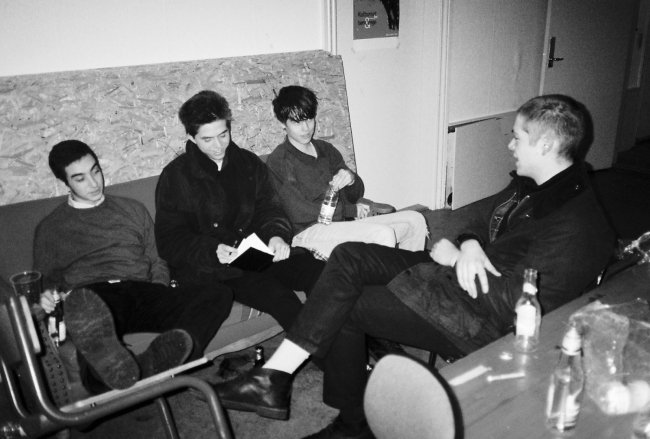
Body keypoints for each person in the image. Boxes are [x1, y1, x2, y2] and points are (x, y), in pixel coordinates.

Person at [215, 95, 615, 439]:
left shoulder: (576, 226)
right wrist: (469, 244)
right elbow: (480, 220)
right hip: (460, 276)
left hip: (478, 318)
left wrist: (456, 258)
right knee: (349, 256)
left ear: (545, 144)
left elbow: (515, 312)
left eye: (518, 137)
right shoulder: (537, 184)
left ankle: (353, 423)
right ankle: (276, 376)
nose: (510, 144)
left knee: (343, 303)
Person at [34, 140, 227, 393]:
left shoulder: (132, 209)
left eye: (95, 171)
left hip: (140, 291)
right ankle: (104, 378)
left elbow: (157, 259)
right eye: (80, 178)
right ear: (65, 183)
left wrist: (160, 289)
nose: (94, 183)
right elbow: (46, 284)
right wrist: (47, 296)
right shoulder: (51, 228)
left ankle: (163, 363)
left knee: (218, 293)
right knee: (87, 320)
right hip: (94, 298)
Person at [154, 90, 325, 334]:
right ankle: (320, 351)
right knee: (279, 296)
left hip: (257, 254)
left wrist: (276, 235)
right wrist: (212, 249)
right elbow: (169, 240)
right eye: (207, 139)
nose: (218, 146)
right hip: (215, 268)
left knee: (318, 272)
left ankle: (341, 343)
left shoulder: (247, 163)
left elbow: (269, 207)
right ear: (191, 137)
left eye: (223, 135)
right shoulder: (176, 176)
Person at [265, 85, 428, 260]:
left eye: (309, 119)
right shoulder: (280, 160)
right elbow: (300, 214)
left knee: (415, 221)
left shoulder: (325, 149)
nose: (306, 128)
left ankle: (410, 274)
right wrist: (350, 210)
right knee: (383, 234)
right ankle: (388, 275)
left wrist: (351, 179)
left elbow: (356, 193)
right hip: (308, 233)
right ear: (283, 124)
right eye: (297, 122)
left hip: (341, 225)